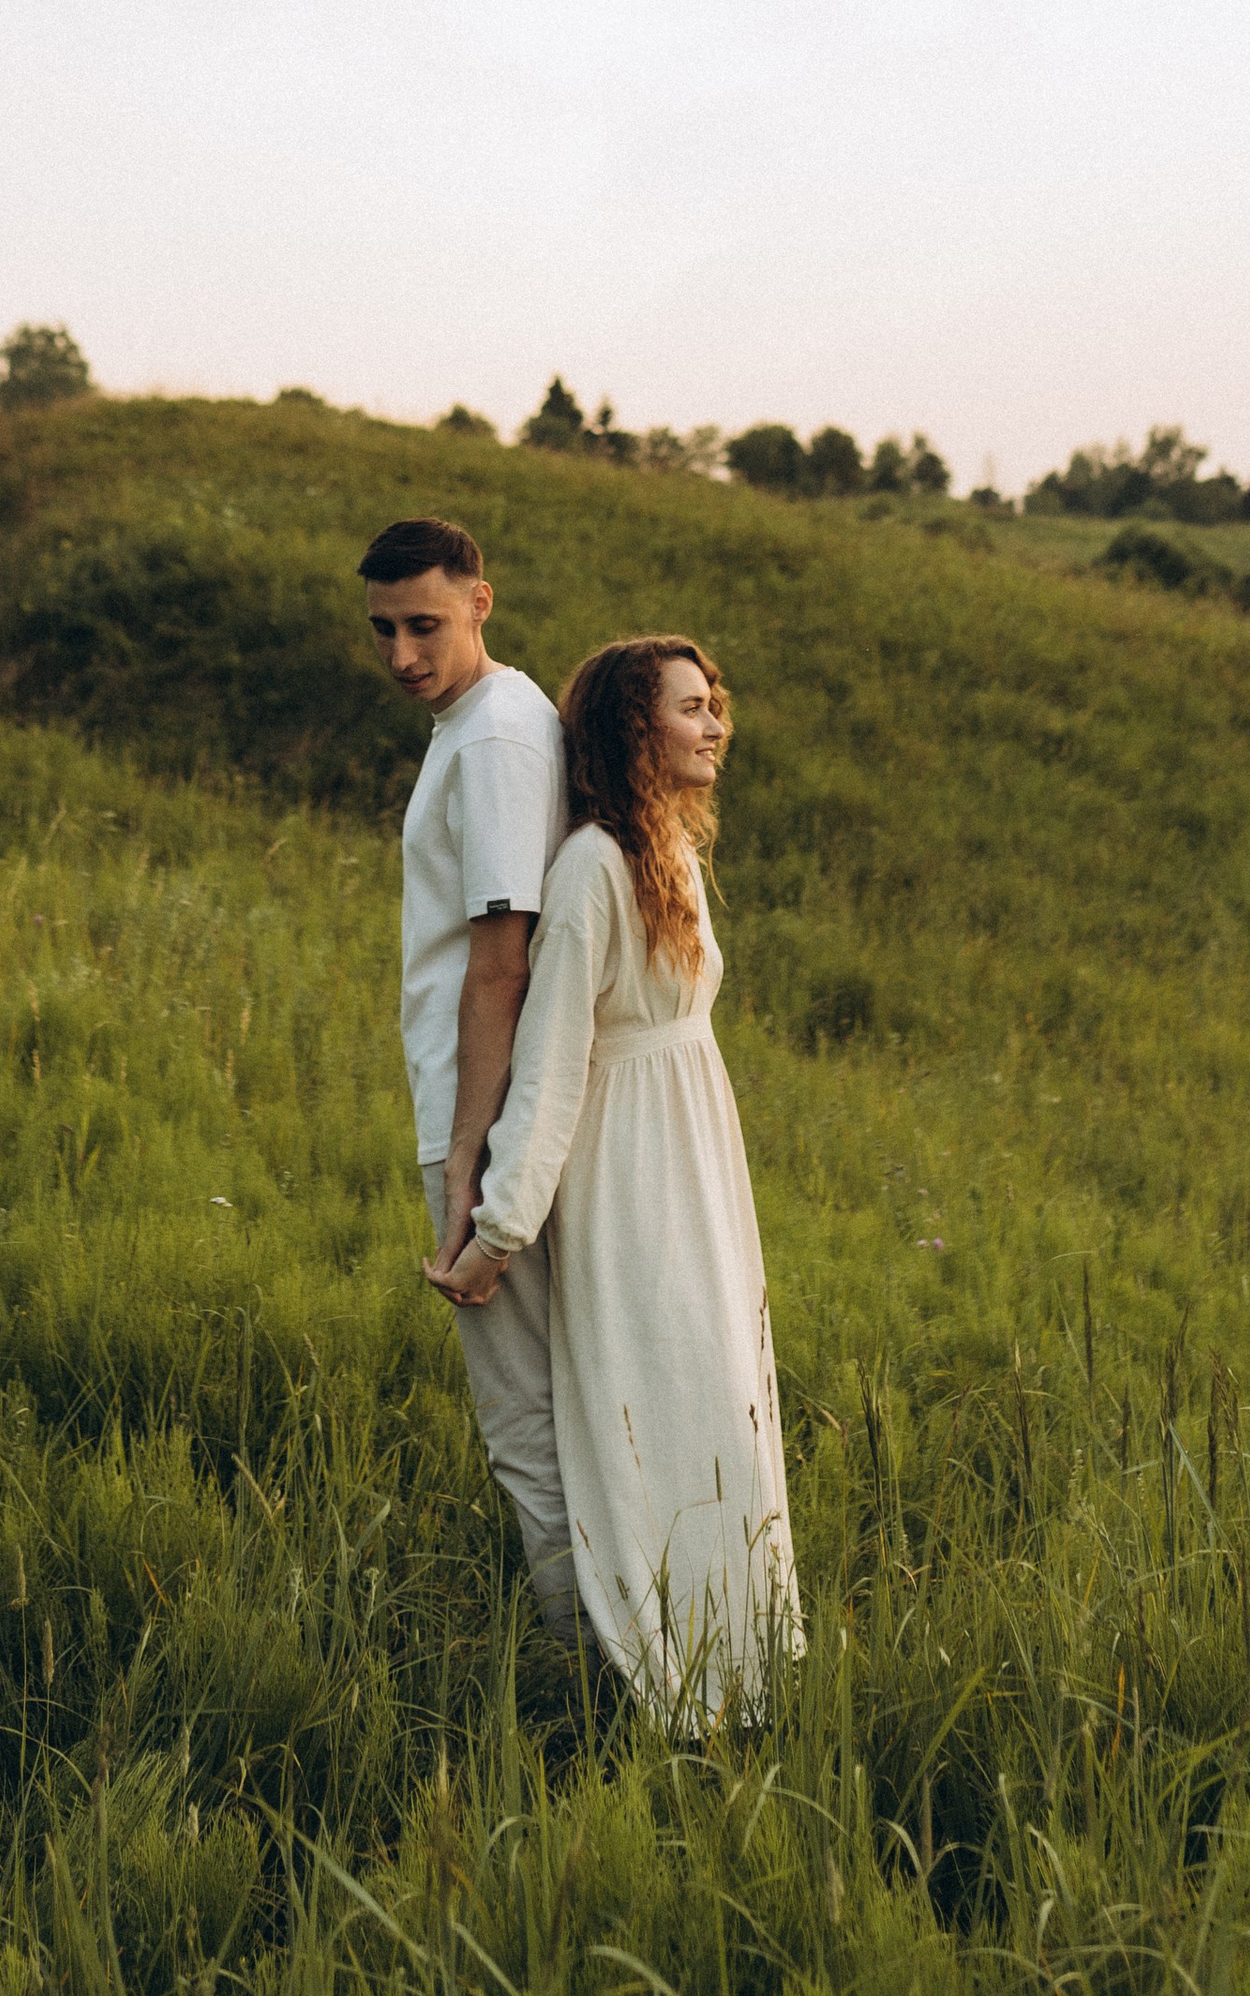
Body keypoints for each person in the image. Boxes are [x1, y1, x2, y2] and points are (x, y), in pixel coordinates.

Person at [437, 634, 802, 1714]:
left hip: (695, 1156)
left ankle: (746, 1668)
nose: (715, 723)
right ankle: (664, 1681)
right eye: (692, 707)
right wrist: (498, 1230)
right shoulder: (595, 865)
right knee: (667, 1401)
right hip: (631, 1173)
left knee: (724, 1393)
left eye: (716, 703)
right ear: (633, 729)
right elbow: (549, 1062)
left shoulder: (669, 851)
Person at [362, 513, 583, 1648]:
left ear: (480, 604)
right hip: (494, 1109)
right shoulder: (480, 717)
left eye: (427, 626)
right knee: (551, 1407)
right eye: (385, 630)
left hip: (484, 1114)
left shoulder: (496, 734)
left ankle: (582, 1675)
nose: (404, 655)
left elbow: (502, 958)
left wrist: (467, 1155)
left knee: (523, 1423)